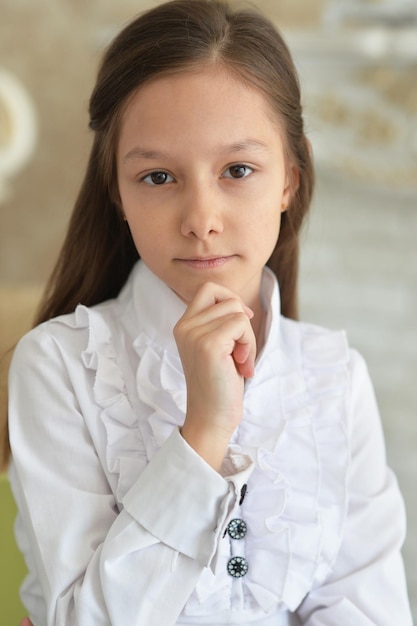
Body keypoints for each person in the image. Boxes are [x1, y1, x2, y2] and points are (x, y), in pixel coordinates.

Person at [6, 1, 413, 625]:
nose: (201, 219)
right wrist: (204, 433)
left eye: (238, 170)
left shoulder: (336, 377)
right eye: (159, 177)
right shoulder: (59, 367)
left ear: (290, 179)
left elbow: (369, 608)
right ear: (116, 190)